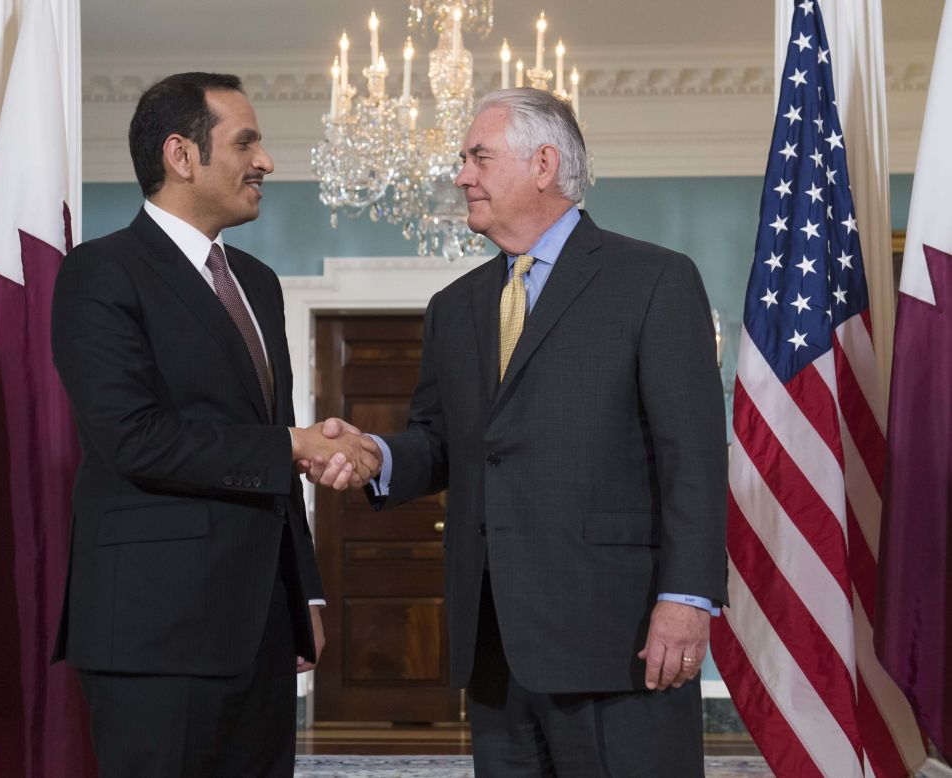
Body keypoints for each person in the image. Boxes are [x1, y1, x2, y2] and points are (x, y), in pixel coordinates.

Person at [307, 87, 728, 776]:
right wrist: (371, 452)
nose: (461, 174)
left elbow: (694, 458)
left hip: (616, 639)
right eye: (462, 159)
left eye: (477, 156)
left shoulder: (653, 280)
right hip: (496, 648)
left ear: (543, 163)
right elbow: (440, 442)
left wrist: (685, 599)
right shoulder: (455, 307)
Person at [50, 72, 379, 777]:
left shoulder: (257, 281)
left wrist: (306, 591)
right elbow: (132, 437)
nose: (265, 162)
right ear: (181, 155)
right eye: (246, 142)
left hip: (261, 628)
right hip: (154, 632)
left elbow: (270, 441)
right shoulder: (100, 274)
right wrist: (291, 445)